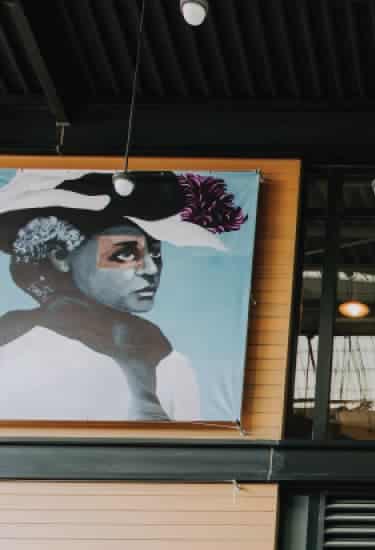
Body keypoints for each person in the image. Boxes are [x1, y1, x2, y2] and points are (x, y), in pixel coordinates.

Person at [0, 169, 245, 421]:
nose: (151, 269)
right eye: (126, 254)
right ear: (60, 256)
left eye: (156, 254)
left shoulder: (170, 361)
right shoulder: (17, 349)